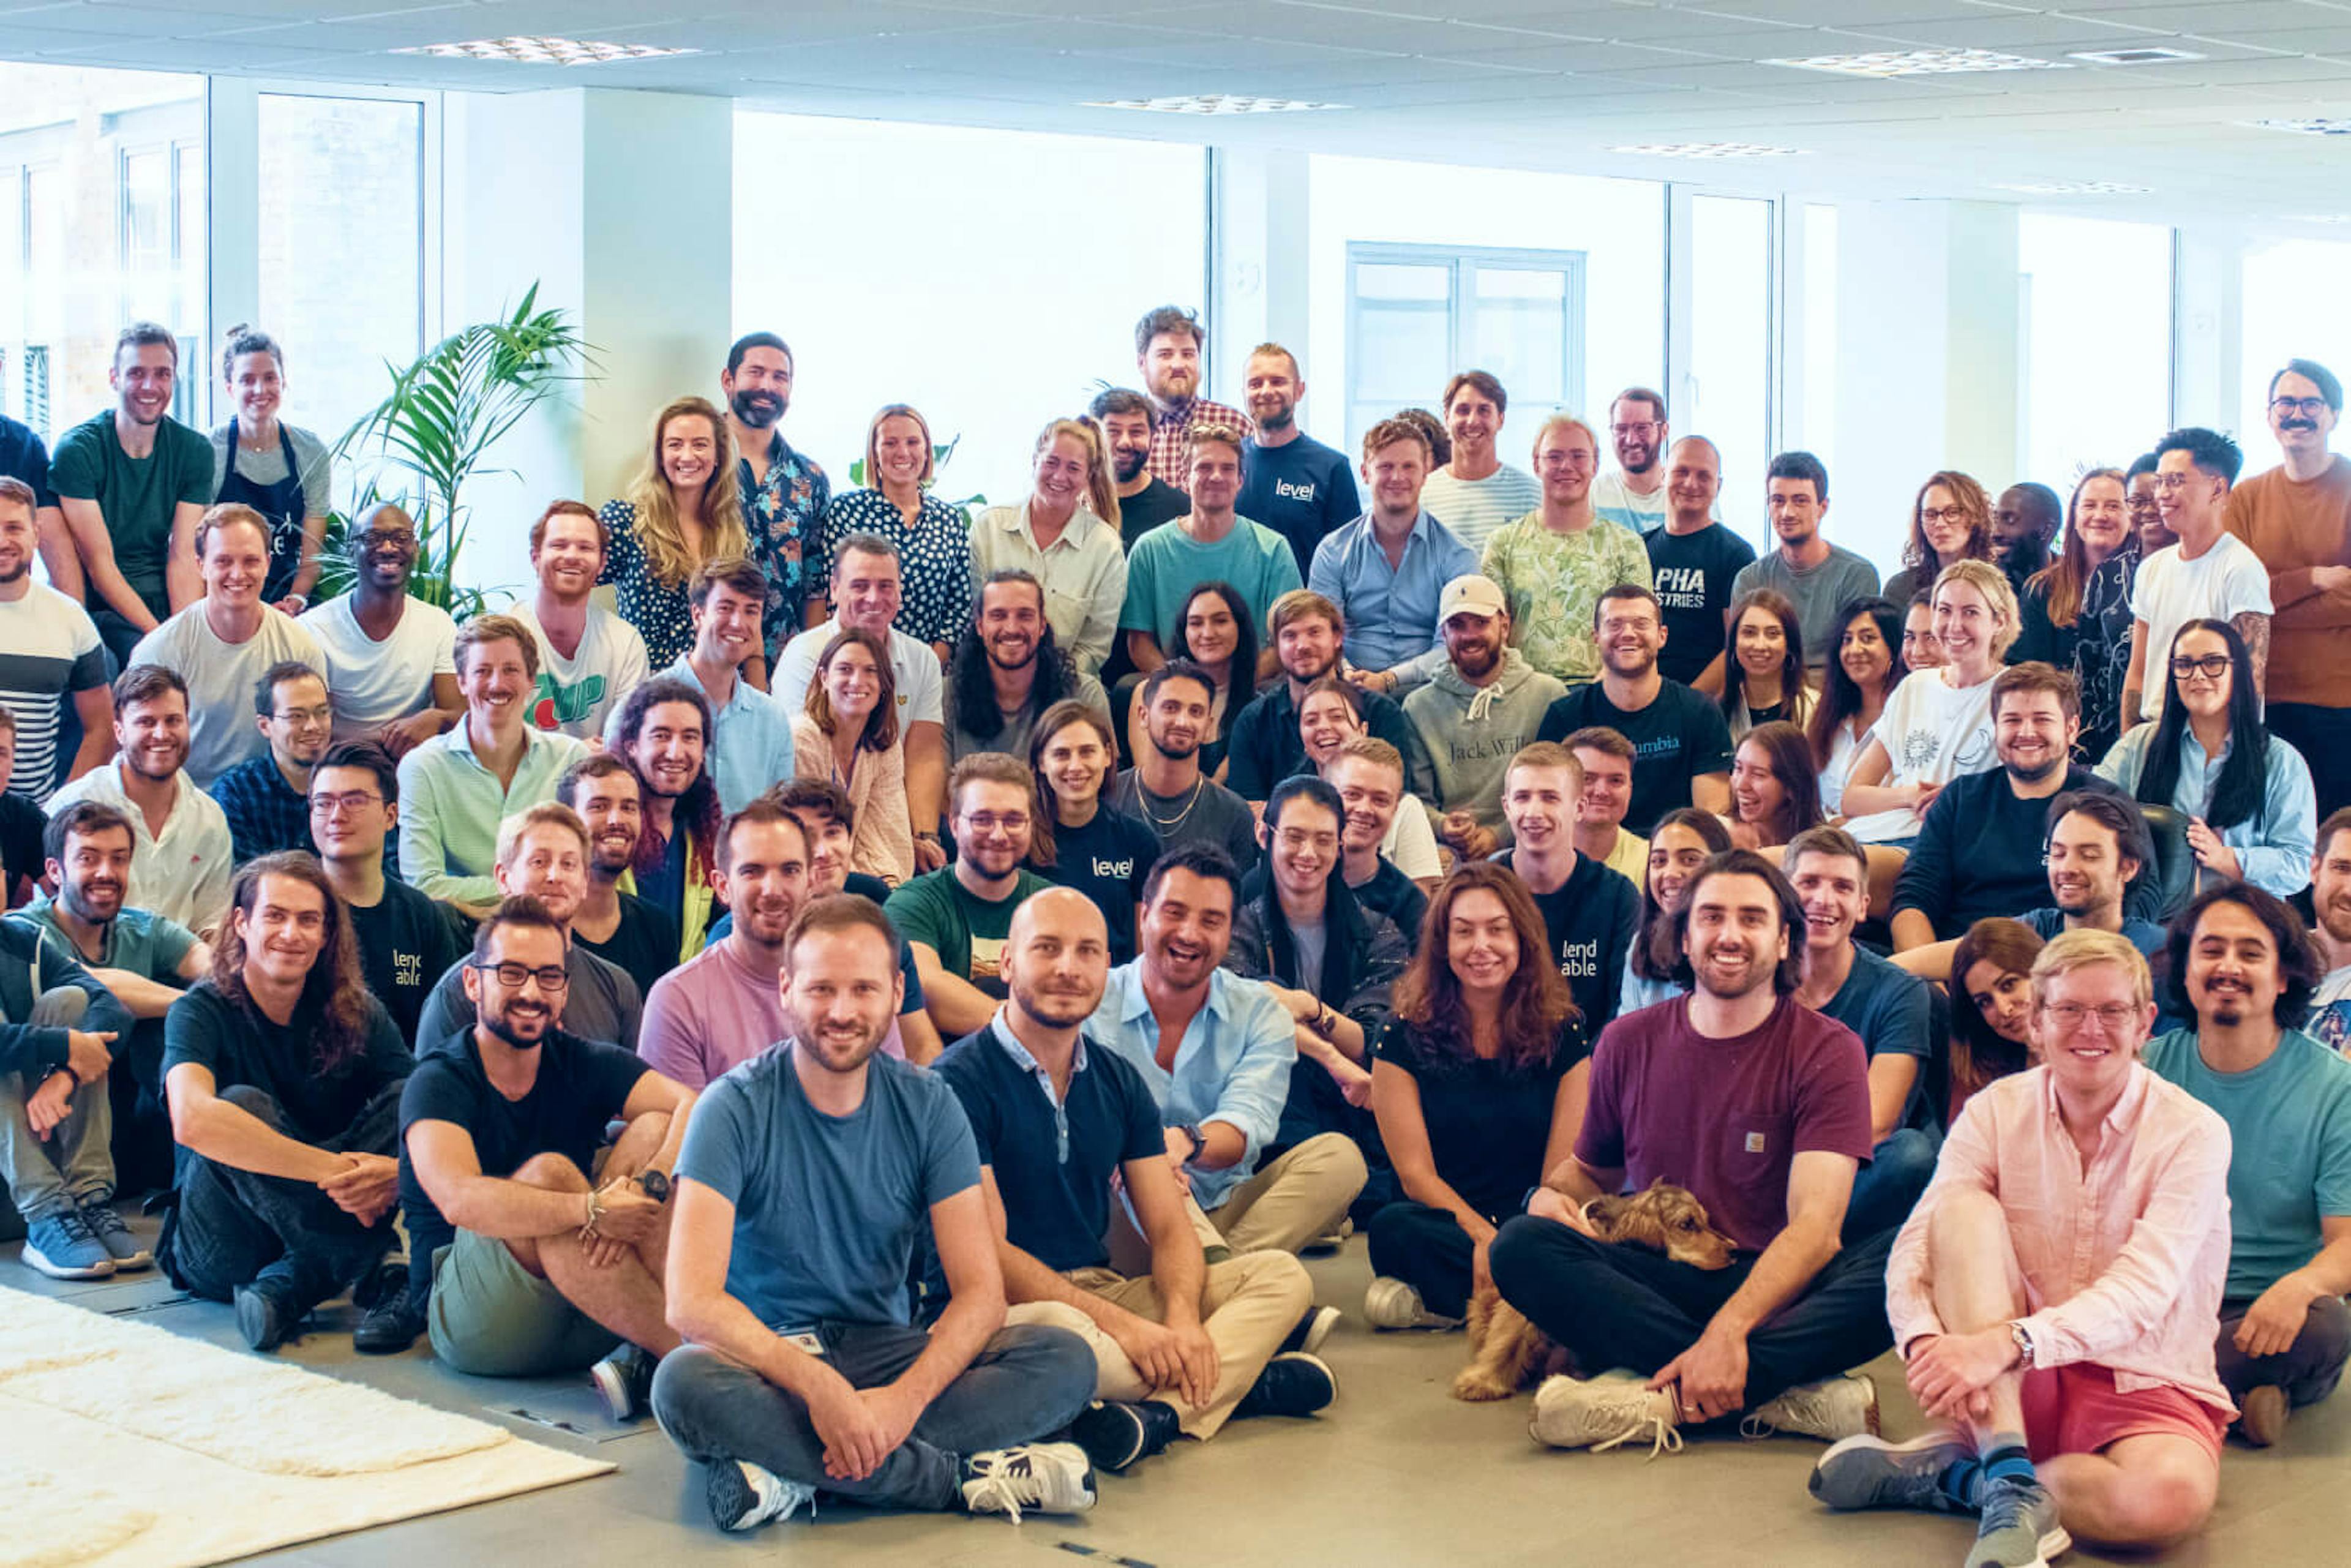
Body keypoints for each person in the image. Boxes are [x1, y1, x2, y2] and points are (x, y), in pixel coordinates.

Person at [651, 893, 1099, 1532]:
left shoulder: (931, 1103)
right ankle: (957, 1480)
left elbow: (980, 1292)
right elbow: (690, 1301)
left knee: (1064, 1358)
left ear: (896, 993)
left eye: (863, 988)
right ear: (786, 988)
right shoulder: (730, 1107)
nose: (841, 1010)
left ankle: (790, 1472)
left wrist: (900, 1400)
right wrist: (818, 1387)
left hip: (888, 1346)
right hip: (771, 1359)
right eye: (821, 988)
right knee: (681, 1383)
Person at [1818, 930, 2230, 1565]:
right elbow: (1918, 1242)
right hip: (2009, 1385)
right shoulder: (1992, 1109)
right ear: (2035, 1022)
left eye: (2112, 1010)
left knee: (2166, 1502)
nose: (2090, 1027)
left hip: (2140, 1372)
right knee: (1958, 1211)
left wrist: (2009, 1340)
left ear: (2145, 1022)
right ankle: (2010, 1475)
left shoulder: (2196, 1132)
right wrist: (1925, 1339)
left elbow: (2147, 1287)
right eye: (2067, 1009)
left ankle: (1963, 1478)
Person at [1490, 850, 1890, 1453]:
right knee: (1520, 1243)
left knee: (1912, 1255)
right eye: (1711, 917)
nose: (1730, 935)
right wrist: (1551, 1194)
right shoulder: (1627, 1040)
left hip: (1772, 1281)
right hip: (1659, 1277)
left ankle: (1657, 1399)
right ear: (1683, 937)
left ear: (1784, 941)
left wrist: (1731, 1328)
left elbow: (1816, 1229)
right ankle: (1775, 1392)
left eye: (1752, 919)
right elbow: (1592, 1172)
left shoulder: (1829, 1049)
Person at [939, 887, 1331, 1462]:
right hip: (1008, 1309)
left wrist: (1180, 1318)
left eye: (1087, 951)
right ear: (1006, 963)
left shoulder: (1118, 1080)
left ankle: (1159, 1414)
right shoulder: (955, 1083)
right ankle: (1237, 1386)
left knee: (1280, 1278)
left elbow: (1171, 1229)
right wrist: (1128, 1327)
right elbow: (988, 1255)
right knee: (1066, 1342)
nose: (1068, 968)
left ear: (1107, 966)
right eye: (1047, 948)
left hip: (1102, 1288)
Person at [395, 896, 696, 1401]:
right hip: (476, 1322)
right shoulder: (439, 1079)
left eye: (549, 976)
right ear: (474, 983)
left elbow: (692, 1105)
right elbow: (458, 1198)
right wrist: (592, 1209)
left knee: (653, 1128)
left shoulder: (581, 1058)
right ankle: (695, 1359)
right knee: (551, 1176)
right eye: (511, 973)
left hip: (588, 1300)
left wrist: (652, 1183)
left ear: (565, 988)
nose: (532, 991)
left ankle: (650, 1352)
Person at [157, 855, 413, 1351]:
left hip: (312, 1220)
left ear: (326, 936)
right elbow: (190, 1120)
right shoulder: (199, 1009)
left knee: (406, 1098)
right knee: (238, 1107)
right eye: (275, 915)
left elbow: (428, 1109)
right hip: (221, 1239)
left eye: (308, 919)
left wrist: (392, 1171)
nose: (291, 933)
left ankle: (295, 1281)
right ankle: (378, 1265)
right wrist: (338, 1171)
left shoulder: (358, 1009)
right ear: (241, 923)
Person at [2143, 883, 2351, 1446]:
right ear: (2185, 971)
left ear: (2283, 976)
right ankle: (2231, 1395)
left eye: (2250, 952)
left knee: (2327, 1324)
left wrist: (2302, 1284)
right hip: (2159, 1298)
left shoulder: (2335, 1087)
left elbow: (2346, 1241)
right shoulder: (2144, 1071)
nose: (2228, 966)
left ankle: (2148, 1391)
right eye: (2210, 950)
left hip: (2267, 1308)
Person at [1089, 846, 1368, 1257]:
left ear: (1229, 933)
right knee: (1138, 1155)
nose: (1189, 932)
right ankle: (1240, 1286)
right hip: (1120, 1216)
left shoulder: (1258, 1011)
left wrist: (1185, 1141)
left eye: (1211, 920)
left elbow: (1245, 1124)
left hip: (1222, 1207)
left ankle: (1219, 1276)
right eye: (1174, 912)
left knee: (1341, 1159)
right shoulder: (1094, 1003)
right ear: (1145, 914)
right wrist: (1152, 1155)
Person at [1363, 863, 1591, 1330]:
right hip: (1446, 1220)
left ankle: (1457, 1304)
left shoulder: (1563, 1029)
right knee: (1394, 1229)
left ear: (1522, 940)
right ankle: (1530, 1304)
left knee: (1582, 1232)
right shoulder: (1400, 1034)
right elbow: (1415, 1175)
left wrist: (1513, 1236)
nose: (1481, 947)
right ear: (1443, 946)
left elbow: (1560, 1174)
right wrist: (1483, 1235)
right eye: (1463, 932)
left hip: (1531, 1212)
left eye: (1497, 930)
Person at [12, 799, 209, 1195]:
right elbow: (100, 989)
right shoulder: (24, 931)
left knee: (167, 1028)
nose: (106, 872)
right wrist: (192, 1007)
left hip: (126, 1112)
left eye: (119, 859)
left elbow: (220, 972)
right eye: (88, 858)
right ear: (55, 870)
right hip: (41, 1106)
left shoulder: (143, 928)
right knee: (122, 1011)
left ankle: (200, 1185)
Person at [1224, 776, 1411, 1180]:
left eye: (1324, 840)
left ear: (1340, 844)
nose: (1308, 853)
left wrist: (1310, 1007)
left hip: (1354, 1101)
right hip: (1270, 1107)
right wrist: (1324, 1047)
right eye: (1293, 836)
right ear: (1263, 834)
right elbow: (1241, 1013)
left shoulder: (1377, 932)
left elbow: (1370, 1042)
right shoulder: (1239, 925)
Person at [1891, 662, 2130, 946]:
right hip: (1955, 963)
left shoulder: (2108, 806)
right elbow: (1914, 898)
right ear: (1996, 728)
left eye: (2042, 720)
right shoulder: (1959, 799)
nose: (2026, 732)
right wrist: (1929, 983)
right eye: (2012, 720)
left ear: (2071, 728)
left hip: (2057, 965)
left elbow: (2134, 907)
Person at [1783, 827, 1937, 1242]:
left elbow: (1873, 1125)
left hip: (1849, 1172)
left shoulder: (1900, 990)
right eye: (1809, 882)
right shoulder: (1754, 978)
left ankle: (1799, 1242)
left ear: (1863, 904)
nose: (1824, 899)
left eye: (1842, 886)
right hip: (1762, 1160)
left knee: (1911, 1156)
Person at [0, 833, 140, 1280]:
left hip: (25, 1148)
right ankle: (45, 1214)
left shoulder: (25, 939)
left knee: (74, 1002)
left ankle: (88, 1197)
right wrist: (63, 1047)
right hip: (20, 1187)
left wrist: (64, 1073)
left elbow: (111, 1007)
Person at [2099, 618, 2317, 900]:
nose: (2198, 675)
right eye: (2185, 665)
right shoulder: (2139, 745)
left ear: (2238, 671)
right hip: (2155, 921)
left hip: (2246, 922)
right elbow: (2094, 812)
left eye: (2213, 662)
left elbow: (2299, 865)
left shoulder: (2281, 761)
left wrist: (2225, 857)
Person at [414, 803, 645, 1052]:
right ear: (504, 878)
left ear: (585, 882)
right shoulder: (456, 993)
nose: (555, 876)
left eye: (568, 864)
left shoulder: (619, 987)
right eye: (539, 862)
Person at [396, 615, 588, 914]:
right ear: (461, 681)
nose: (497, 684)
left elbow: (587, 870)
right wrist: (529, 889)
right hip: (459, 929)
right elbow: (424, 883)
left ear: (531, 680)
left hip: (557, 925)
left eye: (510, 670)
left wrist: (499, 898)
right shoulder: (422, 766)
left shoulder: (571, 759)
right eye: (482, 671)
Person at [773, 536, 948, 864]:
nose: (874, 598)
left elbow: (923, 756)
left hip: (884, 823)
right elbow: (801, 774)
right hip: (816, 842)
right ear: (835, 589)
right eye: (860, 585)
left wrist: (924, 837)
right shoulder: (803, 655)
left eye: (885, 586)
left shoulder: (922, 658)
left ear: (899, 591)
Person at [48, 323, 214, 665]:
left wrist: (183, 635)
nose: (150, 386)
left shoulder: (194, 450)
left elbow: (184, 557)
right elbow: (99, 565)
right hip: (104, 608)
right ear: (114, 378)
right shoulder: (79, 450)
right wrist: (160, 638)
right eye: (136, 373)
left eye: (162, 374)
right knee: (148, 667)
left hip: (165, 601)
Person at [127, 504, 325, 788]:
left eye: (250, 561)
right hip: (187, 800)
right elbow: (139, 750)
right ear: (200, 565)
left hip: (267, 800)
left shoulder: (300, 647)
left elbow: (314, 740)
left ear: (268, 563)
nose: (237, 574)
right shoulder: (160, 650)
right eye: (223, 561)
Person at [2229, 358, 2351, 816]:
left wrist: (2272, 601)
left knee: (2338, 848)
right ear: (2269, 414)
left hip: (2342, 707)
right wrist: (2314, 579)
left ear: (2334, 414)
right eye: (2286, 402)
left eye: (2311, 403)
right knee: (2273, 847)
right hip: (2264, 704)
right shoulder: (2247, 498)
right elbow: (2238, 597)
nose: (2297, 413)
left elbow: (2259, 599)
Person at [1896, 791, 2167, 983]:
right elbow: (1907, 966)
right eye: (2058, 854)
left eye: (2089, 855)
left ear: (2128, 868)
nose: (2067, 868)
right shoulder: (2034, 930)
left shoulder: (2160, 949)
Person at [764, 779, 943, 1065]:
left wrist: (931, 1102)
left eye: (833, 833)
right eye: (806, 838)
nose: (824, 852)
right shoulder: (753, 933)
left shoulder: (878, 918)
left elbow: (922, 1046)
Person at [1841, 561, 2019, 847]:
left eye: (1970, 612)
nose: (1954, 626)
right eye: (1944, 611)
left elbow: (2020, 800)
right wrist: (1911, 796)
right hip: (1878, 834)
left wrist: (1953, 799)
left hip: (1948, 843)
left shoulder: (2015, 694)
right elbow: (1853, 798)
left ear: (2000, 621)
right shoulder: (1915, 687)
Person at [46, 666, 232, 937]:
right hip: (87, 969)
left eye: (173, 721)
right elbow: (47, 913)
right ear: (119, 732)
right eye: (146, 722)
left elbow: (210, 922)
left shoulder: (209, 818)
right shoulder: (74, 803)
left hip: (180, 973)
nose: (161, 734)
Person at [639, 802, 815, 1089]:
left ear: (810, 882)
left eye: (790, 870)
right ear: (722, 887)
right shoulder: (678, 1000)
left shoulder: (854, 988)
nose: (772, 890)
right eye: (752, 872)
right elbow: (686, 1130)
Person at [1535, 584, 1733, 833]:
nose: (1628, 634)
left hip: (1673, 858)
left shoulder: (1700, 713)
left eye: (1641, 624)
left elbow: (1710, 821)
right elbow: (1548, 810)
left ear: (1662, 636)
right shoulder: (1565, 716)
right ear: (1596, 636)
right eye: (1614, 624)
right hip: (1587, 858)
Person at [886, 755, 1057, 1040]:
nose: (999, 835)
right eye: (982, 820)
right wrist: (1025, 1030)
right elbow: (925, 986)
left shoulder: (1053, 905)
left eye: (1014, 820)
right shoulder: (912, 903)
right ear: (953, 824)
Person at [1479, 415, 1654, 688]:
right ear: (1537, 464)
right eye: (1555, 456)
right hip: (1523, 691)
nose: (1566, 466)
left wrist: (1597, 695)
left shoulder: (1626, 545)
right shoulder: (1503, 543)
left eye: (1578, 456)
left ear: (1595, 464)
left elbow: (1638, 631)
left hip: (1605, 692)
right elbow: (1492, 632)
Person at [305, 741, 462, 1043]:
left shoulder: (422, 916)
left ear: (391, 816)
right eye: (323, 803)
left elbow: (439, 1031)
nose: (336, 815)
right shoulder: (294, 911)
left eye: (354, 801)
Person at [1309, 416, 1477, 694]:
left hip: (1434, 693)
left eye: (1408, 467)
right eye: (1385, 467)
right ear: (1365, 473)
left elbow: (1454, 644)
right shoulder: (1333, 551)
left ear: (1426, 473)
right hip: (1350, 691)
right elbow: (1323, 636)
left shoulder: (1457, 553)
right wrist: (1350, 675)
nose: (1397, 477)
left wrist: (1389, 680)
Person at [1406, 574, 1567, 862]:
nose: (1469, 636)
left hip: (1531, 838)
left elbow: (1562, 789)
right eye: (1457, 625)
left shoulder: (1549, 695)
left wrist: (1500, 835)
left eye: (1481, 623)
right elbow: (1416, 800)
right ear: (1443, 634)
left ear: (1504, 627)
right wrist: (1444, 826)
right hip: (1450, 851)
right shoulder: (1418, 707)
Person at [2122, 426, 2271, 732]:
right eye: (2160, 481)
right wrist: (2129, 740)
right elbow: (2138, 671)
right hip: (2152, 734)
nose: (2162, 494)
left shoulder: (2240, 568)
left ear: (2217, 489)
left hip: (2210, 737)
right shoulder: (2153, 568)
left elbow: (2250, 682)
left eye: (2176, 481)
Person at [1122, 423, 1299, 680]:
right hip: (1175, 687)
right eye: (1204, 467)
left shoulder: (1273, 550)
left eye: (1227, 469)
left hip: (1252, 687)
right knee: (1129, 687)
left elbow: (1287, 638)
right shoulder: (1149, 550)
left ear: (1240, 480)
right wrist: (1183, 687)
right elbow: (1139, 643)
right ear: (1185, 477)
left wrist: (1233, 688)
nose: (1216, 477)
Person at [1493, 743, 1640, 1030]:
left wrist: (1587, 1072)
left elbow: (1624, 1010)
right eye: (1523, 798)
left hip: (1593, 1066)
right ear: (1507, 807)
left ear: (1579, 807)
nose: (1534, 812)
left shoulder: (1618, 896)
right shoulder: (1480, 892)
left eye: (1550, 798)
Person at [601, 396, 752, 672]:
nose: (687, 456)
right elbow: (570, 591)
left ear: (718, 455)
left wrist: (759, 699)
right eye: (675, 445)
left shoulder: (735, 535)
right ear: (659, 455)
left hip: (719, 694)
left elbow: (749, 624)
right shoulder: (625, 523)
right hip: (647, 696)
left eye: (700, 445)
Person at [299, 503, 462, 754]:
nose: (388, 548)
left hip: (414, 761)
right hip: (339, 766)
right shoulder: (315, 629)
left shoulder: (438, 624)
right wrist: (377, 744)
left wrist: (436, 718)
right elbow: (310, 728)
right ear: (352, 549)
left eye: (401, 538)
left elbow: (458, 715)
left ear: (415, 550)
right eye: (373, 538)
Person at [812, 404, 973, 658]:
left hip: (928, 669)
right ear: (874, 453)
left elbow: (960, 606)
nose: (903, 452)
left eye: (913, 442)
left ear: (926, 450)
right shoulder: (846, 510)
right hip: (856, 667)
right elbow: (828, 596)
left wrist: (927, 666)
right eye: (890, 443)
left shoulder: (949, 520)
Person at [967, 418, 1127, 675]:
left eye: (1074, 468)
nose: (1060, 476)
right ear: (1034, 462)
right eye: (1051, 462)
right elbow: (974, 622)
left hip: (1066, 690)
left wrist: (1049, 686)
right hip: (990, 684)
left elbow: (1093, 647)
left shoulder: (1105, 548)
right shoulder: (989, 528)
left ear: (1089, 477)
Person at [1225, 590, 1417, 800]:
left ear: (1337, 638)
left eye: (1314, 632)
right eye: (1290, 636)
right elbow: (1249, 809)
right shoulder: (1254, 721)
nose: (1303, 646)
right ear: (1277, 647)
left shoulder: (1382, 712)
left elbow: (1397, 799)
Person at [720, 332, 830, 667]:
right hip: (707, 660)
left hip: (782, 665)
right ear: (728, 379)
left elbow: (816, 583)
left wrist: (810, 664)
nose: (767, 386)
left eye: (779, 377)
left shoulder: (809, 477)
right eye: (756, 372)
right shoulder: (697, 462)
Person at [0, 476, 110, 801]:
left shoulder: (71, 619)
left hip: (34, 821)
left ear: (36, 534)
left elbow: (101, 728)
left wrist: (62, 805)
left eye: (14, 528)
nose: (3, 540)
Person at [206, 325, 328, 611]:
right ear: (229, 388)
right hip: (223, 596)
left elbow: (311, 560)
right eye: (247, 380)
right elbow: (195, 551)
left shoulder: (311, 451)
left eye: (270, 378)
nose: (260, 390)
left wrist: (294, 601)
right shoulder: (210, 450)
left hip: (287, 598)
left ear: (284, 382)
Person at [1029, 701, 1158, 964]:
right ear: (1042, 762)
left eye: (1087, 752)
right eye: (1062, 754)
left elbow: (1144, 955)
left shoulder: (1138, 840)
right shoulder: (1021, 839)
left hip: (1114, 992)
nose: (1075, 766)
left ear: (1108, 756)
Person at [667, 557, 797, 817]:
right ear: (698, 615)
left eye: (751, 611)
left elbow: (781, 817)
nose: (738, 623)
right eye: (726, 608)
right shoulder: (644, 706)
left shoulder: (772, 719)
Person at [1730, 451, 1880, 675]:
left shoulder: (1855, 575)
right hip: (1766, 694)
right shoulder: (1750, 579)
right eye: (1778, 501)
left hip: (1834, 700)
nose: (1787, 512)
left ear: (1823, 507)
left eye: (1800, 501)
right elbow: (1742, 658)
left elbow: (1858, 661)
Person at [604, 677, 724, 954]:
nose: (675, 752)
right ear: (632, 745)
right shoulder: (606, 831)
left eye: (690, 737)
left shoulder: (703, 836)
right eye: (661, 736)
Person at [514, 500, 651, 741]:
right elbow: (495, 741)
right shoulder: (503, 638)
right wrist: (574, 754)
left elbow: (627, 742)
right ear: (535, 558)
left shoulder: (625, 643)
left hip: (600, 776)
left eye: (585, 548)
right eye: (559, 545)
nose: (571, 556)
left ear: (602, 564)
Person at [1109, 661, 1259, 872]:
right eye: (1171, 708)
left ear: (1208, 726)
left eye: (1196, 712)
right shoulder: (1106, 799)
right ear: (1143, 716)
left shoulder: (1234, 815)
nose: (1182, 722)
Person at [789, 629, 912, 885]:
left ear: (884, 685)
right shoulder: (802, 738)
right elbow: (808, 838)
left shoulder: (885, 745)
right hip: (809, 876)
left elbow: (890, 834)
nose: (858, 681)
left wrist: (890, 884)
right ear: (824, 678)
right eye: (845, 669)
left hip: (860, 877)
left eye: (871, 671)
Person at [944, 571, 1106, 764]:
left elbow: (1103, 784)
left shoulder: (1084, 694)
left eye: (1025, 616)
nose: (1012, 628)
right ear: (980, 626)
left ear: (1042, 626)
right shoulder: (947, 695)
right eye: (998, 616)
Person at [557, 754, 682, 1000]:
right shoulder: (536, 926)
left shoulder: (657, 926)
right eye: (599, 807)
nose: (617, 820)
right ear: (567, 820)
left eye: (628, 808)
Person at [1642, 435, 1753, 691]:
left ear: (1719, 485)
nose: (1691, 484)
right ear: (1663, 476)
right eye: (1681, 472)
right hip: (1640, 696)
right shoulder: (1640, 548)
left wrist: (1689, 704)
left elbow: (1736, 645)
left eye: (1704, 476)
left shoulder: (1736, 555)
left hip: (1704, 703)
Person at [2014, 470, 2129, 704]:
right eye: (2089, 506)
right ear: (2074, 517)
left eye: (2113, 506)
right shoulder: (2042, 589)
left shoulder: (2146, 585)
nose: (2100, 515)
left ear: (2132, 516)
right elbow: (2027, 674)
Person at [1122, 580, 1256, 779]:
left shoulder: (1256, 708)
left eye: (1220, 621)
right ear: (1184, 632)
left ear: (1240, 628)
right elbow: (1150, 780)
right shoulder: (1148, 693)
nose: (1207, 633)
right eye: (1195, 623)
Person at [208, 661, 329, 865]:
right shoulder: (237, 792)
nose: (312, 726)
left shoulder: (352, 784)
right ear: (265, 726)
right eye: (296, 716)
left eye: (322, 712)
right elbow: (247, 882)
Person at [2077, 461, 2156, 762]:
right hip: (2107, 740)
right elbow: (2086, 672)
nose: (2149, 509)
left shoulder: (2200, 571)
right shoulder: (2107, 575)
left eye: (2156, 498)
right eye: (2137, 501)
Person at [1621, 808, 1734, 1014]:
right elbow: (1626, 1040)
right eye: (1659, 861)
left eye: (1690, 860)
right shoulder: (1642, 943)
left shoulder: (1738, 944)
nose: (1670, 873)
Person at [1419, 370, 1542, 553]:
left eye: (1484, 410)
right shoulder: (1422, 494)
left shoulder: (1531, 495)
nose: (1472, 421)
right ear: (1447, 418)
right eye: (1463, 410)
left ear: (1501, 419)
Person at [1326, 734, 1436, 933]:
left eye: (1380, 800)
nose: (1364, 809)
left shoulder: (1410, 905)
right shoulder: (1282, 881)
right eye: (1352, 794)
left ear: (1395, 810)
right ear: (1327, 796)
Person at [1133, 303, 1251, 489]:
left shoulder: (1235, 426)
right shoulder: (1126, 431)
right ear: (1142, 363)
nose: (1178, 365)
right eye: (1166, 355)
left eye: (1188, 354)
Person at [1809, 596, 1907, 819]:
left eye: (1868, 639)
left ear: (1894, 647)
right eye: (1847, 640)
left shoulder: (1906, 718)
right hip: (1823, 839)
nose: (1855, 650)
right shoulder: (1829, 719)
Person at [1945, 918, 2045, 1124]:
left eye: (2009, 985)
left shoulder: (2093, 1046)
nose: (2003, 1009)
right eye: (1984, 1002)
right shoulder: (1977, 1070)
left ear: (2043, 971)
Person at [1091, 387, 1191, 549]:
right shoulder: (1074, 505)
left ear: (1153, 436)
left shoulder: (1181, 510)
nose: (1125, 443)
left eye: (1136, 432)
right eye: (1113, 432)